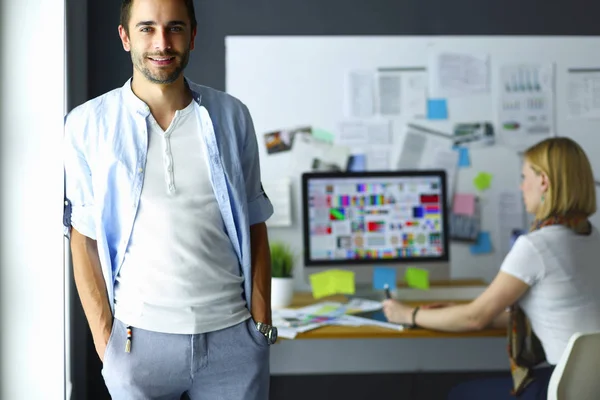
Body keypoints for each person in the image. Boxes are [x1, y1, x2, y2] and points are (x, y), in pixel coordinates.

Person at [63, 0, 276, 398]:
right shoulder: (86, 124)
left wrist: (261, 325)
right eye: (146, 29)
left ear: (193, 36)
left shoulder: (232, 116)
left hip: (234, 340)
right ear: (125, 37)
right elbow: (83, 237)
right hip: (136, 345)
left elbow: (254, 220)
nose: (162, 43)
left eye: (175, 28)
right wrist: (105, 340)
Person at [382, 137, 600, 399]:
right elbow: (552, 310)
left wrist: (407, 315)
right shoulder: (591, 237)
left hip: (561, 386)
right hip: (591, 384)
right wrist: (455, 312)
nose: (521, 187)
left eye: (524, 177)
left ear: (543, 181)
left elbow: (476, 318)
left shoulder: (536, 246)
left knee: (459, 394)